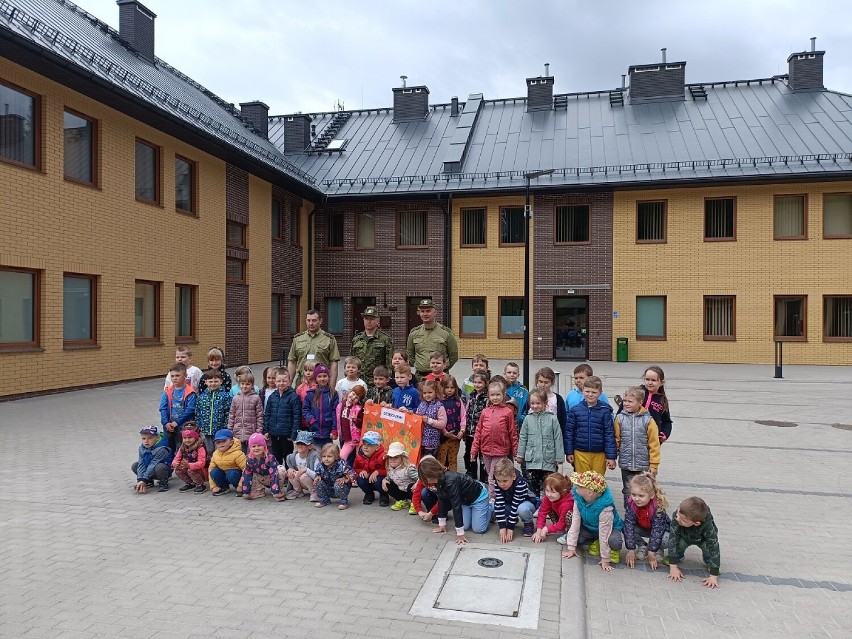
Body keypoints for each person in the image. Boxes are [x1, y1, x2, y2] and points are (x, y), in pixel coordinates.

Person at [418, 456, 494, 542]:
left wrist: (460, 534)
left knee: (478, 529)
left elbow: (456, 506)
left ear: (430, 474)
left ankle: (491, 507)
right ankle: (478, 513)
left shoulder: (450, 481)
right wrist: (442, 524)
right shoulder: (437, 481)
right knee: (465, 526)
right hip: (465, 501)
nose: (424, 481)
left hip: (478, 497)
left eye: (424, 478)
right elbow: (441, 500)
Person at [560, 471, 624, 571]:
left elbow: (605, 533)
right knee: (575, 539)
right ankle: (595, 540)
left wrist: (605, 558)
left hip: (609, 529)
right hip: (590, 527)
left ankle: (611, 549)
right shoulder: (579, 499)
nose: (576, 485)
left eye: (580, 485)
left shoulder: (605, 508)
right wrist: (571, 548)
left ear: (590, 492)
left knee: (614, 541)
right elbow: (575, 523)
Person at [471, 380, 518, 500]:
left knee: (493, 477)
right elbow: (479, 431)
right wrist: (474, 450)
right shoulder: (485, 412)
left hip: (501, 451)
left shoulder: (507, 412)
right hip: (486, 450)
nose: (495, 397)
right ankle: (500, 497)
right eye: (492, 395)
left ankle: (492, 499)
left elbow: (512, 433)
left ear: (503, 395)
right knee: (491, 476)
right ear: (488, 396)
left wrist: (516, 452)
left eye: (498, 394)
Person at [614, 386, 661, 508]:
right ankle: (630, 515)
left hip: (643, 466)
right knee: (628, 490)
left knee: (644, 491)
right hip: (626, 464)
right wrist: (612, 457)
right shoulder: (620, 418)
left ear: (640, 402)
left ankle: (645, 514)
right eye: (625, 401)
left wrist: (654, 465)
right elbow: (616, 440)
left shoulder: (648, 420)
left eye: (630, 401)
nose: (626, 403)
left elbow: (654, 444)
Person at [564, 376, 616, 476]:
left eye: (594, 392)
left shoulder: (605, 411)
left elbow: (609, 434)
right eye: (587, 391)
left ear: (600, 393)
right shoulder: (575, 410)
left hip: (599, 453)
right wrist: (569, 452)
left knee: (597, 482)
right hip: (580, 452)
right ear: (583, 391)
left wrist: (611, 456)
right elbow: (569, 432)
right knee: (582, 481)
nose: (590, 395)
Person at [517, 389, 564, 497]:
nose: (535, 406)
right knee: (533, 486)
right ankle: (536, 505)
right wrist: (520, 455)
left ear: (545, 403)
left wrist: (559, 457)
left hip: (549, 459)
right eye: (532, 403)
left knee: (549, 485)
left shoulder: (552, 419)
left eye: (538, 403)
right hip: (532, 459)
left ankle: (547, 506)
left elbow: (558, 438)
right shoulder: (528, 419)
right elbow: (523, 437)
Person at [667, 497, 721, 588]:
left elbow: (714, 546)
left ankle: (709, 561)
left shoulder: (708, 526)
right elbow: (673, 538)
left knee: (708, 548)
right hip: (684, 537)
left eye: (683, 520)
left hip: (702, 539)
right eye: (678, 514)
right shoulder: (679, 515)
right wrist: (673, 566)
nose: (678, 519)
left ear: (696, 523)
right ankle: (678, 556)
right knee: (679, 544)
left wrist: (713, 576)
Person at [624, 473, 671, 571]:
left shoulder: (658, 507)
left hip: (659, 531)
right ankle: (643, 546)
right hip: (642, 528)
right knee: (625, 527)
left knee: (666, 539)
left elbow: (657, 531)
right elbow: (629, 526)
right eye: (633, 495)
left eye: (641, 496)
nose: (636, 499)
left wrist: (651, 552)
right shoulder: (631, 504)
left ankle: (658, 549)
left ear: (651, 495)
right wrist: (630, 550)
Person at [406, 298, 458, 381]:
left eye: (428, 311)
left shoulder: (446, 333)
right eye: (422, 311)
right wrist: (420, 365)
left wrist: (442, 368)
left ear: (435, 313)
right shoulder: (414, 333)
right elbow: (410, 354)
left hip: (441, 378)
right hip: (421, 378)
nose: (425, 314)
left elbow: (453, 356)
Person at [288, 309, 341, 386]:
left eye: (314, 320)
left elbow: (333, 363)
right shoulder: (297, 339)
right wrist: (289, 382)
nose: (311, 323)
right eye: (308, 320)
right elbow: (292, 361)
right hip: (302, 382)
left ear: (320, 321)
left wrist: (332, 385)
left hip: (321, 382)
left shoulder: (329, 339)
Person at [263, 368, 301, 467]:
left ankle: (289, 477)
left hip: (287, 435)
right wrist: (266, 430)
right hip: (274, 434)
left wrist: (293, 434)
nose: (281, 383)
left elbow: (297, 417)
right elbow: (267, 414)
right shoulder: (272, 396)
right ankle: (277, 477)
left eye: (284, 381)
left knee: (288, 457)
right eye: (279, 381)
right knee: (276, 457)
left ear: (289, 381)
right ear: (275, 382)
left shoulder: (293, 397)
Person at [493, 458, 537, 540]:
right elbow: (499, 502)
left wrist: (510, 528)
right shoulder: (497, 483)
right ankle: (510, 519)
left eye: (505, 481)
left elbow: (516, 505)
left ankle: (528, 523)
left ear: (513, 476)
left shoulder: (520, 483)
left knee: (522, 509)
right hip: (510, 501)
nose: (501, 484)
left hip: (527, 503)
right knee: (496, 505)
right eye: (499, 480)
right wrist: (502, 527)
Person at [350, 306, 394, 387]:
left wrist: (385, 381)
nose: (369, 321)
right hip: (358, 381)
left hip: (376, 382)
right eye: (366, 319)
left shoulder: (385, 339)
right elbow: (351, 361)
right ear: (363, 320)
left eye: (372, 319)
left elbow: (389, 364)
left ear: (377, 321)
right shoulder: (356, 339)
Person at [159, 362, 197, 454]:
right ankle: (169, 466)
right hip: (169, 426)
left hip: (183, 427)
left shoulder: (190, 392)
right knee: (168, 447)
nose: (174, 378)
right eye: (172, 376)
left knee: (181, 448)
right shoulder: (167, 391)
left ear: (185, 376)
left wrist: (177, 422)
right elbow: (162, 408)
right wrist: (166, 423)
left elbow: (190, 410)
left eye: (177, 375)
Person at [195, 369, 231, 457]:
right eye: (210, 381)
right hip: (206, 429)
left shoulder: (225, 396)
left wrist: (225, 426)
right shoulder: (202, 397)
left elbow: (228, 412)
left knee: (219, 449)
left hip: (219, 429)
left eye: (216, 381)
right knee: (209, 450)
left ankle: (219, 466)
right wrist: (200, 425)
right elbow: (198, 412)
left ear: (221, 382)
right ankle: (210, 466)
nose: (213, 383)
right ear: (206, 382)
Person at [302, 364, 338, 451]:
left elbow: (335, 412)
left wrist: (334, 429)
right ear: (316, 378)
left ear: (328, 377)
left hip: (327, 432)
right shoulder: (311, 393)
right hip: (314, 431)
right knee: (316, 457)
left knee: (328, 455)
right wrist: (311, 419)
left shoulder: (333, 393)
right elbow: (305, 409)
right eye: (319, 376)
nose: (322, 379)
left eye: (325, 376)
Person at [241, 432, 284, 501]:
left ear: (264, 447)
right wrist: (246, 492)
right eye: (253, 446)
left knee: (280, 469)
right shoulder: (250, 460)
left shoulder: (270, 458)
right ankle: (259, 490)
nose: (256, 448)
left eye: (259, 445)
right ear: (250, 448)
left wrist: (275, 491)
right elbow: (247, 475)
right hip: (260, 478)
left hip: (271, 478)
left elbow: (274, 473)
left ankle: (277, 490)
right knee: (246, 470)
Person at [533, 473, 575, 544]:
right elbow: (542, 512)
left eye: (553, 492)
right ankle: (557, 528)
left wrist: (546, 529)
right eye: (547, 490)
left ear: (563, 491)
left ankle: (569, 534)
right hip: (560, 515)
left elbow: (562, 524)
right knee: (547, 507)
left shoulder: (567, 503)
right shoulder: (548, 497)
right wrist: (539, 530)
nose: (549, 494)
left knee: (570, 515)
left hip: (573, 522)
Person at [463, 370, 489, 481]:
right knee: (471, 455)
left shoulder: (486, 398)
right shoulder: (472, 395)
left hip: (481, 434)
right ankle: (472, 478)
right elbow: (467, 412)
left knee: (482, 457)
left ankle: (484, 480)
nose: (477, 385)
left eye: (480, 383)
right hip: (470, 432)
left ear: (485, 383)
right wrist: (465, 429)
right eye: (475, 382)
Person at [228, 372, 263, 453]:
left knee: (251, 453)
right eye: (242, 383)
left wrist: (258, 430)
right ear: (239, 384)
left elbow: (259, 415)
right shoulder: (235, 398)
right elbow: (232, 414)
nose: (244, 386)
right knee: (239, 453)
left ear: (252, 385)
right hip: (238, 431)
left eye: (247, 384)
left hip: (251, 431)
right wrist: (230, 428)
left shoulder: (256, 398)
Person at [412, 379, 447, 458]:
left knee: (428, 462)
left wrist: (429, 421)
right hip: (419, 440)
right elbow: (417, 417)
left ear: (436, 392)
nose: (427, 395)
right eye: (424, 393)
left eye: (430, 392)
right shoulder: (422, 404)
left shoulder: (439, 406)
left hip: (431, 441)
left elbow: (442, 424)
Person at [313, 442, 355, 509]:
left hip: (340, 488)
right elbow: (317, 474)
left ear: (336, 456)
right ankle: (324, 499)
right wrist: (317, 477)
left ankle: (343, 500)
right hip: (327, 488)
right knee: (318, 482)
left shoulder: (342, 465)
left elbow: (353, 474)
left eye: (329, 456)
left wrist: (345, 478)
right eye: (324, 456)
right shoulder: (320, 466)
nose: (326, 459)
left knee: (338, 483)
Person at [132, 425, 173, 493]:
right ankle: (148, 482)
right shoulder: (141, 448)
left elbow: (153, 464)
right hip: (150, 469)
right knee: (135, 465)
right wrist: (140, 480)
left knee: (159, 467)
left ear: (157, 437)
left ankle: (163, 483)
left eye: (150, 438)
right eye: (144, 438)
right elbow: (141, 463)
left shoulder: (162, 449)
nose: (146, 441)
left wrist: (144, 479)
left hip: (162, 470)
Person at [437, 375, 465, 472]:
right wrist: (444, 432)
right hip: (443, 437)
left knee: (453, 459)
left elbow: (463, 416)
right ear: (442, 388)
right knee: (441, 460)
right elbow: (438, 419)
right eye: (447, 387)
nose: (449, 390)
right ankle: (441, 480)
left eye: (452, 387)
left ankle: (453, 479)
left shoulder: (458, 401)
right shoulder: (439, 402)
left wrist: (462, 430)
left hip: (456, 437)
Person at [353, 430, 388, 506]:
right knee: (360, 479)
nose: (365, 447)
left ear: (377, 447)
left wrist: (378, 472)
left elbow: (389, 471)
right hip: (368, 478)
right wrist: (361, 471)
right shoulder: (359, 457)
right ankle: (369, 494)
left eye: (369, 445)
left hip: (379, 479)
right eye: (364, 444)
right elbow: (355, 468)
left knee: (379, 481)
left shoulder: (383, 457)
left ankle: (383, 495)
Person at [208, 429, 247, 496]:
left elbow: (246, 469)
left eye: (224, 441)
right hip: (225, 475)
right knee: (214, 471)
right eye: (218, 442)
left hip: (237, 476)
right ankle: (224, 487)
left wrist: (241, 486)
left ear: (231, 442)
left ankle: (241, 488)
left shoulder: (238, 454)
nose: (221, 443)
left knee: (232, 473)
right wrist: (213, 486)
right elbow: (210, 469)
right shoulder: (215, 454)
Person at [283, 431, 320, 500]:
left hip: (312, 481)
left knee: (303, 475)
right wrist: (290, 469)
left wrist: (306, 470)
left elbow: (318, 475)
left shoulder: (314, 457)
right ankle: (298, 491)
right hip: (300, 480)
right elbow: (291, 469)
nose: (300, 445)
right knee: (290, 473)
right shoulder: (292, 457)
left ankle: (314, 491)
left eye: (303, 444)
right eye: (298, 443)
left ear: (310, 446)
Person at [382, 441, 419, 511]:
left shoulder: (408, 468)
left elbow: (421, 478)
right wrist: (384, 480)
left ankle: (415, 503)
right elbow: (389, 478)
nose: (392, 459)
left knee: (411, 486)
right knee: (387, 484)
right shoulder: (390, 469)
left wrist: (417, 483)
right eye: (390, 457)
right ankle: (402, 501)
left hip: (411, 491)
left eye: (396, 457)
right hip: (401, 490)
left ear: (402, 458)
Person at [171, 425, 208, 493]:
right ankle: (190, 483)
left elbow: (202, 463)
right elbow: (177, 458)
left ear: (196, 437)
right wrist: (175, 463)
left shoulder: (200, 448)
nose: (187, 440)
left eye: (190, 437)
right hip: (187, 467)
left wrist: (189, 465)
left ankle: (201, 484)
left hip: (201, 470)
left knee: (191, 470)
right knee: (178, 470)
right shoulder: (182, 448)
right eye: (185, 438)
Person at [337, 385, 365, 466]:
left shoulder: (359, 409)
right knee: (342, 456)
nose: (353, 397)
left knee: (358, 458)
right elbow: (337, 420)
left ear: (359, 400)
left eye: (356, 397)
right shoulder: (340, 405)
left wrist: (356, 420)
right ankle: (343, 473)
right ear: (349, 392)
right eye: (353, 394)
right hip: (345, 437)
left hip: (355, 439)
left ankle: (356, 475)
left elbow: (361, 424)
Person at [535, 367, 566, 436]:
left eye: (546, 382)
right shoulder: (532, 397)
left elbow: (563, 420)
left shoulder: (558, 399)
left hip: (553, 433)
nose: (543, 385)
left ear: (552, 382)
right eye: (540, 381)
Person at [503, 361, 529, 428]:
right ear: (504, 374)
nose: (512, 375)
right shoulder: (501, 388)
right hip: (503, 423)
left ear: (518, 375)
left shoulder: (524, 390)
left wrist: (521, 418)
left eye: (514, 373)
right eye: (509, 372)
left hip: (518, 424)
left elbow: (527, 407)